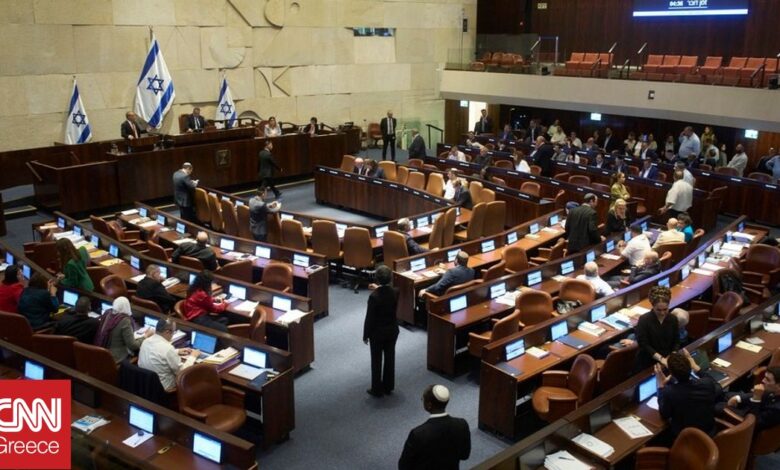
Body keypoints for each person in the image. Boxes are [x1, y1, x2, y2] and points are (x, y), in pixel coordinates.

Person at [398, 384, 471, 470]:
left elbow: (404, 466)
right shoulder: (462, 424)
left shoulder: (418, 434)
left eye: (423, 399)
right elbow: (464, 455)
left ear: (429, 405)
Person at [656, 350, 723, 440]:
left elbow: (664, 414)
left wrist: (660, 387)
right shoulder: (706, 383)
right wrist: (697, 368)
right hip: (710, 433)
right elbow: (718, 387)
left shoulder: (670, 392)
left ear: (672, 374)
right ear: (690, 368)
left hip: (686, 439)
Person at [363, 266, 399, 397]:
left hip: (377, 333)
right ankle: (388, 386)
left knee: (376, 361)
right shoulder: (396, 292)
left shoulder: (374, 297)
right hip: (392, 330)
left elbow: (370, 318)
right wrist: (379, 288)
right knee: (390, 358)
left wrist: (365, 335)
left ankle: (376, 389)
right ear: (390, 278)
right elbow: (387, 292)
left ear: (377, 279)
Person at [138, 318, 199, 392]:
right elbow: (182, 372)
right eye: (174, 332)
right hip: (165, 389)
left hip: (146, 384)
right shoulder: (168, 349)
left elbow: (158, 353)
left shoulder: (146, 341)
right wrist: (193, 356)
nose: (173, 334)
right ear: (167, 332)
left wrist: (177, 351)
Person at [634, 286, 679, 371]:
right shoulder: (644, 319)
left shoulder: (673, 319)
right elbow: (644, 344)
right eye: (659, 310)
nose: (662, 313)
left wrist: (672, 355)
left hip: (668, 359)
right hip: (648, 360)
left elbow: (676, 340)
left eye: (665, 309)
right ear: (653, 306)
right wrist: (661, 359)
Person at [94, 296, 151, 363]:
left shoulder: (107, 313)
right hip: (115, 358)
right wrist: (146, 336)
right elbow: (133, 345)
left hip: (101, 352)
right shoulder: (124, 320)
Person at [726, 366, 780, 431]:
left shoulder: (777, 409)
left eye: (767, 380)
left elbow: (754, 423)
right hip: (750, 407)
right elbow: (760, 394)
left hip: (747, 422)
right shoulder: (773, 391)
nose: (763, 380)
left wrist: (756, 398)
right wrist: (738, 398)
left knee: (718, 405)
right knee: (725, 394)